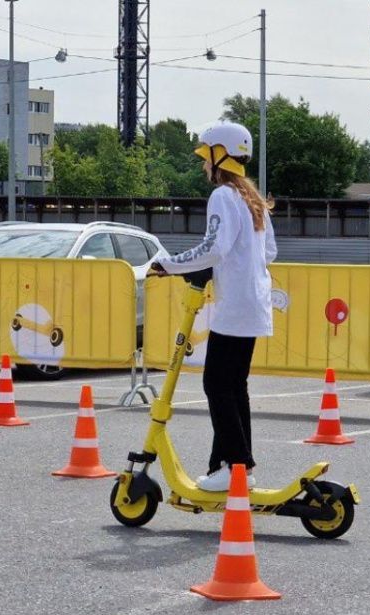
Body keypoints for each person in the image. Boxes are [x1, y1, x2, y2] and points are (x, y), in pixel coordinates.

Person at [149, 121, 277, 491]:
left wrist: (169, 265)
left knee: (216, 384)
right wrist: (240, 265)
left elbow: (214, 248)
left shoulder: (223, 195)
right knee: (233, 386)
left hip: (236, 306)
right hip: (254, 304)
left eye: (207, 156)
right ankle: (230, 467)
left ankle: (237, 465)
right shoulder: (252, 198)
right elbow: (269, 251)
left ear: (221, 155)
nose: (204, 164)